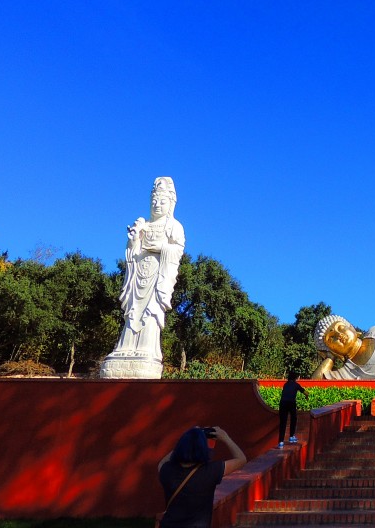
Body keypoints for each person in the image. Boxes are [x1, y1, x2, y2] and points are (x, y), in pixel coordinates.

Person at [102, 177, 185, 378]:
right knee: (132, 311)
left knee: (151, 312)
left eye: (162, 201)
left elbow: (178, 250)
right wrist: (133, 241)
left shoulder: (174, 226)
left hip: (158, 276)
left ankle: (147, 349)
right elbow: (133, 253)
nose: (157, 205)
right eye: (154, 201)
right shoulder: (144, 225)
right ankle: (125, 348)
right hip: (138, 275)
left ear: (171, 203)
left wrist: (161, 248)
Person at [158, 426, 246, 528]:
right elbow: (241, 459)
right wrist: (225, 437)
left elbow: (162, 463)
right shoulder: (210, 471)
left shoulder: (168, 471)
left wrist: (187, 438)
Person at [277, 371, 309, 446]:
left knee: (283, 422)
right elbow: (305, 392)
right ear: (295, 378)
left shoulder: (285, 384)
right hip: (291, 403)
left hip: (282, 403)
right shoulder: (296, 385)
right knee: (293, 419)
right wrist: (307, 396)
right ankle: (291, 436)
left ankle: (281, 441)